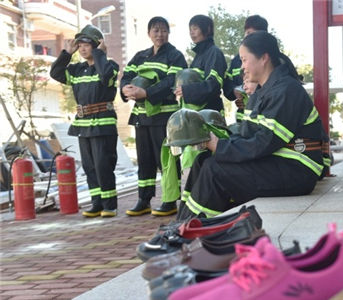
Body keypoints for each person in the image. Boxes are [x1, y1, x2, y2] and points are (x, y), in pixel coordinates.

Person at [176, 31, 327, 220]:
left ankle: (194, 230)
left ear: (264, 58)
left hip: (297, 169)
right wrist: (217, 142)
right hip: (277, 161)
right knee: (202, 161)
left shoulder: (287, 90)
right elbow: (249, 135)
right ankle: (182, 222)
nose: (242, 67)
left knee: (215, 171)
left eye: (244, 60)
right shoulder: (262, 92)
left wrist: (221, 147)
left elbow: (264, 142)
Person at [50, 24, 119, 218]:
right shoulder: (76, 70)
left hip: (102, 125)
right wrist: (67, 53)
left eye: (87, 44)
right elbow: (55, 73)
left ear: (97, 46)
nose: (82, 48)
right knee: (89, 167)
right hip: (83, 125)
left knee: (103, 165)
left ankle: (109, 205)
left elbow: (105, 76)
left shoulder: (109, 66)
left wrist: (100, 54)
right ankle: (97, 203)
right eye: (79, 44)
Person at [121, 17, 187, 217]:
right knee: (145, 160)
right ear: (149, 33)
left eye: (163, 30)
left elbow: (171, 81)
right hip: (142, 117)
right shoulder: (140, 56)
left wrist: (147, 93)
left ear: (168, 33)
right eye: (156, 30)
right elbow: (126, 75)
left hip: (164, 118)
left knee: (166, 160)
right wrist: (125, 88)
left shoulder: (175, 56)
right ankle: (144, 199)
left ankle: (170, 200)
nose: (159, 34)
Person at [174, 15, 227, 112]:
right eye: (190, 29)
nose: (191, 32)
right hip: (196, 114)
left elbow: (214, 84)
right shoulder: (198, 55)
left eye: (195, 28)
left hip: (209, 112)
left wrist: (187, 90)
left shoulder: (214, 52)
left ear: (207, 29)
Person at [223, 15, 268, 117]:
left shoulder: (273, 60)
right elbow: (228, 84)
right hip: (242, 119)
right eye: (247, 33)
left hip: (261, 118)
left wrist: (253, 95)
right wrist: (234, 91)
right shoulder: (236, 60)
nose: (243, 67)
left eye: (252, 34)